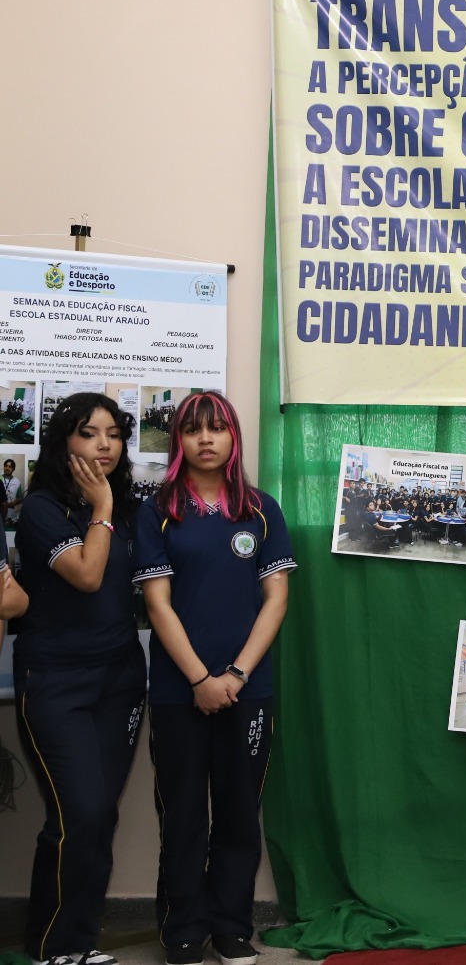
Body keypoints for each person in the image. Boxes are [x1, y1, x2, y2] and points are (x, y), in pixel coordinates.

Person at [134, 390, 296, 965]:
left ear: (233, 436)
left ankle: (231, 927)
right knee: (182, 816)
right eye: (193, 429)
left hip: (248, 691)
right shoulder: (157, 511)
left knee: (237, 813)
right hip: (178, 692)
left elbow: (276, 600)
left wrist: (235, 675)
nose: (206, 439)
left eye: (217, 427)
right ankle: (183, 929)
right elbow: (157, 605)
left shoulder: (261, 509)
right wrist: (201, 679)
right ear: (178, 440)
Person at [16, 395, 151, 965]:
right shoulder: (42, 509)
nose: (104, 445)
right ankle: (53, 946)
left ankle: (81, 941)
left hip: (120, 679)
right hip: (56, 681)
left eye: (114, 434)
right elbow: (88, 575)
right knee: (79, 814)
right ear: (63, 442)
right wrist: (102, 505)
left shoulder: (132, 509)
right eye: (89, 433)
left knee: (101, 815)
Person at [2, 456, 22, 524]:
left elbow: (20, 498)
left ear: (13, 469)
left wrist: (11, 504)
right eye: (6, 466)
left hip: (11, 514)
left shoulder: (17, 481)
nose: (7, 468)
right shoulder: (0, 479)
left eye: (10, 467)